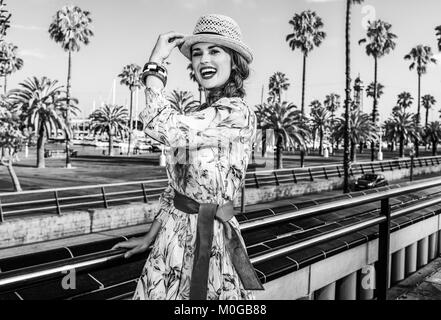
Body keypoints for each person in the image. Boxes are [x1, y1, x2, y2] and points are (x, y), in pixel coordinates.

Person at [112, 14, 263, 300]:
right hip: (172, 242)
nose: (204, 59)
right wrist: (150, 236)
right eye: (197, 53)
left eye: (215, 51)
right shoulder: (198, 116)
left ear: (235, 61)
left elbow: (161, 125)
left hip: (212, 240)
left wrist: (155, 64)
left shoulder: (236, 113)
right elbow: (176, 190)